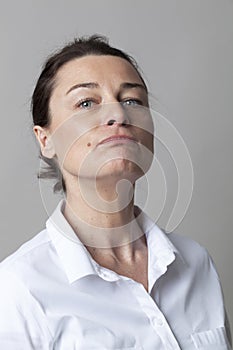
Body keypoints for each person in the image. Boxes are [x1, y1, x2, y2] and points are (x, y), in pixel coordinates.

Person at [0, 35, 231, 350]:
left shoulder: (196, 263)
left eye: (133, 100)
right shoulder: (18, 289)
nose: (118, 115)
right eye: (86, 103)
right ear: (46, 140)